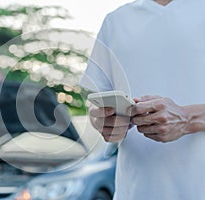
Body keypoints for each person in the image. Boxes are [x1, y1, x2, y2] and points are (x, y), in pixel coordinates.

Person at [79, 0, 205, 199]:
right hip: (134, 191)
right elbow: (97, 103)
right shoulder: (116, 21)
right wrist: (103, 121)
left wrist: (188, 118)